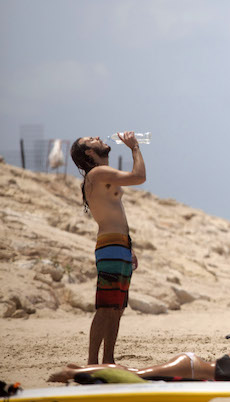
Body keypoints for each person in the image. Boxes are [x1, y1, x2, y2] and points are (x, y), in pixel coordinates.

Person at [70, 132, 145, 365]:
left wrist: (128, 245)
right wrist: (134, 148)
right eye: (91, 140)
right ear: (89, 153)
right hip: (110, 245)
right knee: (106, 307)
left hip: (119, 244)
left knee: (117, 307)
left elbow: (114, 213)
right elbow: (138, 176)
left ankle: (108, 360)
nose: (98, 137)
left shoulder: (101, 175)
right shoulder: (97, 173)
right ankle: (92, 363)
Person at [48, 317, 230, 382]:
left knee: (135, 372)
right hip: (191, 367)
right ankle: (75, 373)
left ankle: (81, 369)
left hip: (193, 366)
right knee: (138, 374)